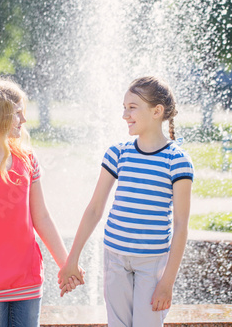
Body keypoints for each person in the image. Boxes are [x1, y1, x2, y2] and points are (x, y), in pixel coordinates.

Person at [58, 76, 194, 326]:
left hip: (152, 262)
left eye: (132, 107)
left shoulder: (177, 161)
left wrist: (167, 282)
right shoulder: (118, 152)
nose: (124, 115)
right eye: (124, 107)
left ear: (157, 111)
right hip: (115, 257)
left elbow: (181, 225)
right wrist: (72, 260)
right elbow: (94, 209)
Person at [0, 77, 81, 327]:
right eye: (18, 113)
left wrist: (66, 264)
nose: (24, 120)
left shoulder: (28, 159)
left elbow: (41, 218)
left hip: (28, 281)